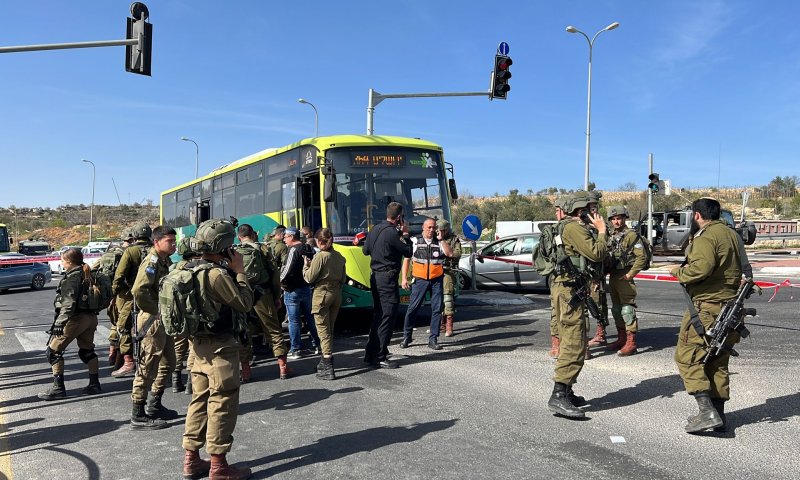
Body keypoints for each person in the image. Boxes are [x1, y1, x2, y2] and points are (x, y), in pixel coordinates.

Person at [181, 218, 254, 480]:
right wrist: (240, 270)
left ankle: (191, 459)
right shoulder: (216, 275)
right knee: (222, 401)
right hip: (220, 349)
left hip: (196, 347)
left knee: (198, 401)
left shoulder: (186, 268)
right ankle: (219, 466)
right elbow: (244, 303)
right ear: (223, 245)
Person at [670, 198, 743, 434]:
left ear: (697, 215)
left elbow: (700, 268)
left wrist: (677, 271)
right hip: (730, 308)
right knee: (717, 361)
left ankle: (707, 411)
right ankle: (719, 415)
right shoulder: (731, 234)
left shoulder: (706, 236)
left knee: (687, 357)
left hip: (708, 308)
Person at [547, 195, 607, 419]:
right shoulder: (574, 228)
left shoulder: (566, 227)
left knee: (575, 338)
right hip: (569, 290)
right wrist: (601, 230)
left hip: (568, 288)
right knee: (573, 341)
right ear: (581, 211)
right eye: (592, 210)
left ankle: (567, 391)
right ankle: (558, 395)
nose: (596, 214)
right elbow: (597, 253)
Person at [129, 225, 178, 430]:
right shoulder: (152, 261)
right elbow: (138, 290)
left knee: (169, 362)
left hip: (162, 318)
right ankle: (138, 414)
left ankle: (155, 404)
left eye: (174, 241)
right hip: (152, 320)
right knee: (147, 366)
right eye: (169, 241)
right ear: (156, 242)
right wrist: (155, 309)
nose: (174, 244)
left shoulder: (164, 260)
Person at [38, 248, 102, 400]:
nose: (61, 263)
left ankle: (58, 388)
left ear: (70, 262)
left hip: (75, 319)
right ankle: (94, 384)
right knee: (87, 351)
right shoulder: (88, 273)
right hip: (90, 318)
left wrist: (59, 324)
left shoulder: (72, 278)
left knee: (53, 353)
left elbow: (68, 303)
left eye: (63, 261)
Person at [362, 202, 413, 368]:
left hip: (375, 277)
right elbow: (408, 252)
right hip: (387, 279)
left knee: (378, 315)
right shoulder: (392, 233)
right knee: (388, 316)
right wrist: (405, 235)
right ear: (399, 217)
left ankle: (370, 353)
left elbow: (365, 251)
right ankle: (380, 355)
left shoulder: (375, 229)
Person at [236, 223, 290, 381]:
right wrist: (277, 296)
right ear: (253, 235)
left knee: (244, 333)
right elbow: (274, 273)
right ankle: (283, 368)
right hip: (263, 295)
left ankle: (246, 372)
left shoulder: (234, 252)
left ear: (239, 237)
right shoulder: (263, 249)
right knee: (273, 329)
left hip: (243, 296)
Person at [400, 217, 453, 350]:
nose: (431, 230)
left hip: (436, 280)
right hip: (419, 280)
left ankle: (433, 339)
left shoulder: (439, 242)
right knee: (413, 308)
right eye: (429, 227)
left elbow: (449, 253)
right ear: (423, 228)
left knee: (436, 309)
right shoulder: (415, 241)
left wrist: (441, 240)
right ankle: (407, 336)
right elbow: (406, 260)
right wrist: (404, 278)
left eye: (433, 227)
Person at [604, 206, 649, 356]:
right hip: (614, 276)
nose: (616, 221)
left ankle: (631, 342)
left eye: (619, 218)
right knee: (616, 310)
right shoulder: (611, 235)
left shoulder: (631, 235)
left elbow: (641, 257)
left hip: (625, 276)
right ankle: (621, 338)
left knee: (627, 309)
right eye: (614, 219)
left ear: (624, 219)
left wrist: (630, 274)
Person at [110, 221, 153, 378]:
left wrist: (113, 293)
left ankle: (129, 362)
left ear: (134, 236)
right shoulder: (156, 251)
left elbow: (119, 275)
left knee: (123, 327)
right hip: (152, 296)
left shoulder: (130, 251)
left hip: (131, 296)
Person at [303, 228, 346, 380]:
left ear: (319, 242)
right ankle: (323, 361)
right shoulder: (340, 256)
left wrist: (306, 266)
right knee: (330, 329)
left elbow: (309, 278)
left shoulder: (320, 257)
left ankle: (328, 364)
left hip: (321, 294)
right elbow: (343, 279)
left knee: (323, 330)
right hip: (336, 294)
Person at [280, 227, 321, 358]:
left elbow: (287, 269)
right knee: (311, 319)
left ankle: (295, 349)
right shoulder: (309, 248)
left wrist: (279, 282)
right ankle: (318, 345)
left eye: (285, 236)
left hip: (292, 290)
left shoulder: (293, 250)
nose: (284, 239)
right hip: (307, 288)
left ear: (292, 237)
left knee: (294, 321)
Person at [97, 230, 132, 369]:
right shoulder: (132, 253)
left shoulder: (111, 252)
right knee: (125, 325)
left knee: (116, 322)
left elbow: (96, 269)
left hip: (113, 293)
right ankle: (122, 357)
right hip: (125, 293)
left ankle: (113, 352)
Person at [547, 195, 572, 359]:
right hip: (557, 277)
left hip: (572, 280)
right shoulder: (554, 230)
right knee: (555, 314)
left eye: (558, 210)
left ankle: (576, 347)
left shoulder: (573, 228)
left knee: (573, 316)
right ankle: (557, 345)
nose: (556, 213)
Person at [438, 219, 462, 337]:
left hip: (448, 271)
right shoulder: (434, 238)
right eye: (440, 230)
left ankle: (449, 326)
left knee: (448, 299)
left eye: (443, 230)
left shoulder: (454, 240)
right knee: (437, 299)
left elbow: (457, 254)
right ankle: (440, 325)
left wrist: (444, 245)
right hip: (435, 271)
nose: (440, 232)